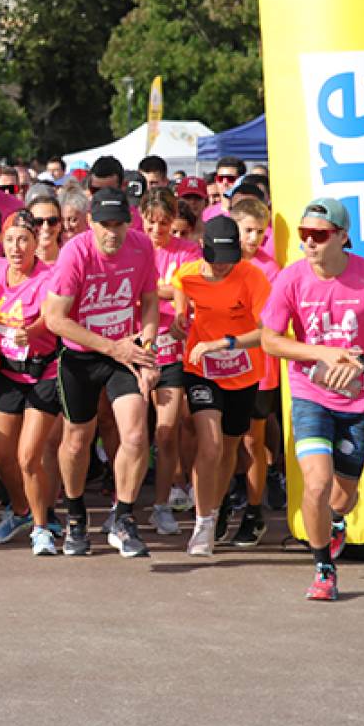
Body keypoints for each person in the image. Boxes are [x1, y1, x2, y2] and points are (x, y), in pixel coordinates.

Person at [260, 198, 364, 601]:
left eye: (319, 235)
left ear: (342, 237)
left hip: (360, 398)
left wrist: (363, 362)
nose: (309, 242)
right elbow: (270, 340)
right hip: (310, 393)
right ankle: (323, 568)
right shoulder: (291, 278)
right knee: (317, 483)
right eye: (304, 234)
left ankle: (337, 521)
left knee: (343, 496)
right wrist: (321, 353)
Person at [43, 188, 157, 557]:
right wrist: (111, 347)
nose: (112, 232)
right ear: (90, 222)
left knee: (136, 435)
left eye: (119, 224)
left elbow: (150, 300)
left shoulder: (141, 246)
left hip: (125, 352)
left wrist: (147, 350)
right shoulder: (74, 253)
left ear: (129, 222)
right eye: (105, 224)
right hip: (81, 356)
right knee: (77, 440)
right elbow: (55, 319)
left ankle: (123, 518)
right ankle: (76, 515)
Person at [171, 216, 270, 557]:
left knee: (229, 448)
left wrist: (225, 343)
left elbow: (267, 332)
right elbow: (177, 283)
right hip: (201, 369)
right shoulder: (190, 273)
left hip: (243, 371)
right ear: (203, 249)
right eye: (217, 258)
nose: (224, 265)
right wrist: (180, 313)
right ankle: (202, 523)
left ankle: (214, 510)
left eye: (230, 257)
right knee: (210, 445)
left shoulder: (252, 277)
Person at [0, 210, 62, 553]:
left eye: (24, 240)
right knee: (2, 457)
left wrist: (30, 331)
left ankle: (42, 529)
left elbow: (51, 317)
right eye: (11, 240)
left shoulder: (49, 277)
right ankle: (20, 512)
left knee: (28, 456)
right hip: (8, 373)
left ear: (36, 243)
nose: (17, 247)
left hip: (43, 371)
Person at [140, 189, 200, 533]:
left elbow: (191, 290)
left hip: (173, 348)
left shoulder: (188, 251)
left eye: (164, 223)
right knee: (131, 432)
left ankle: (162, 505)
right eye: (151, 223)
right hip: (136, 346)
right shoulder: (134, 247)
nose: (157, 230)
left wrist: (154, 291)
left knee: (166, 431)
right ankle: (122, 504)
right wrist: (169, 291)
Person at [230, 195, 280, 545]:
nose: (254, 238)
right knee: (221, 440)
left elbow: (267, 321)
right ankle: (218, 507)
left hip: (260, 367)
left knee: (252, 440)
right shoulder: (219, 261)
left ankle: (253, 511)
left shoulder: (270, 267)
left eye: (260, 232)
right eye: (248, 230)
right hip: (222, 366)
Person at [26, 193, 66, 265]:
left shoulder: (72, 259)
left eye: (52, 221)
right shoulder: (20, 263)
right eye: (38, 221)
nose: (46, 227)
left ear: (60, 224)